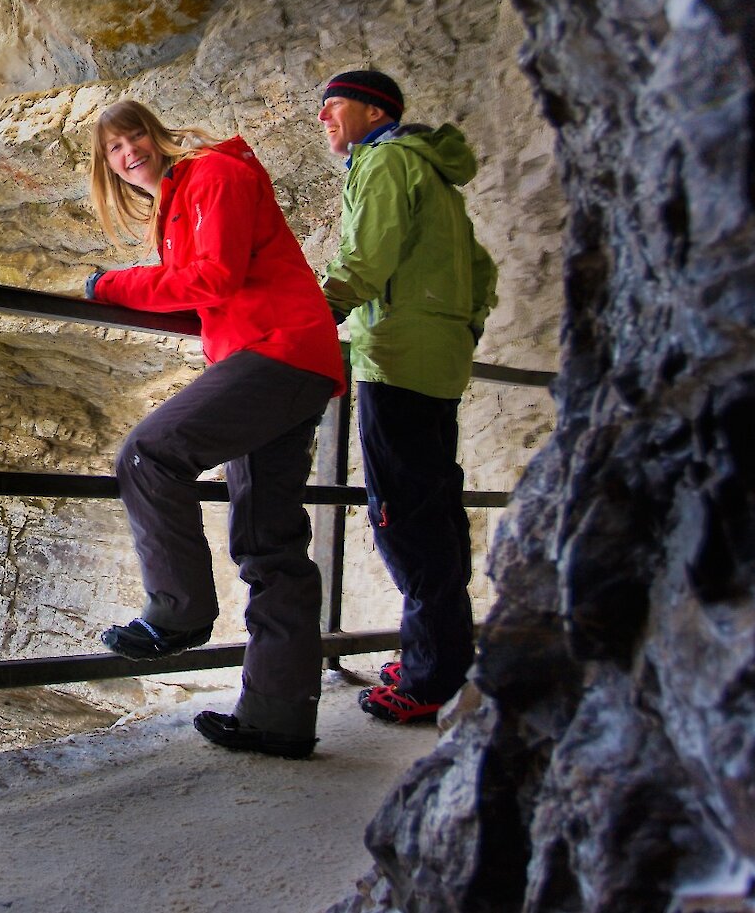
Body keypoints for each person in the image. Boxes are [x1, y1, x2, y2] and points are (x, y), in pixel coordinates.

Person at [82, 99, 346, 759]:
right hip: (283, 356)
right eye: (113, 147)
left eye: (133, 134)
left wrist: (111, 285)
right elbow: (208, 279)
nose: (127, 152)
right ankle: (277, 714)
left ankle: (178, 610)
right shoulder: (180, 201)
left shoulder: (212, 175)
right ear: (105, 165)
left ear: (156, 134)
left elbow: (214, 277)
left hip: (277, 351)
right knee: (270, 542)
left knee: (149, 456)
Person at [315, 68, 497, 725]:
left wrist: (312, 316)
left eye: (332, 105)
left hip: (394, 359)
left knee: (406, 521)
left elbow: (366, 258)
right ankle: (446, 652)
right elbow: (482, 270)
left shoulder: (385, 160)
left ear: (371, 109)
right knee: (436, 508)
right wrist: (461, 327)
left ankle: (427, 678)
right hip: (438, 360)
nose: (324, 119)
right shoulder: (434, 172)